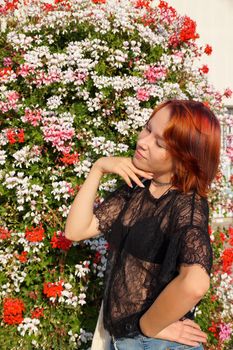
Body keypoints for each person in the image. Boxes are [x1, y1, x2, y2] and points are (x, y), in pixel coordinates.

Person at [65, 99, 221, 350]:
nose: (142, 142)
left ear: (184, 159)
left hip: (154, 343)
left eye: (159, 143)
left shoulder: (186, 205)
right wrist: (98, 168)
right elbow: (75, 231)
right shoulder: (138, 188)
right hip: (129, 338)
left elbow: (195, 283)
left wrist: (150, 325)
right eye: (148, 129)